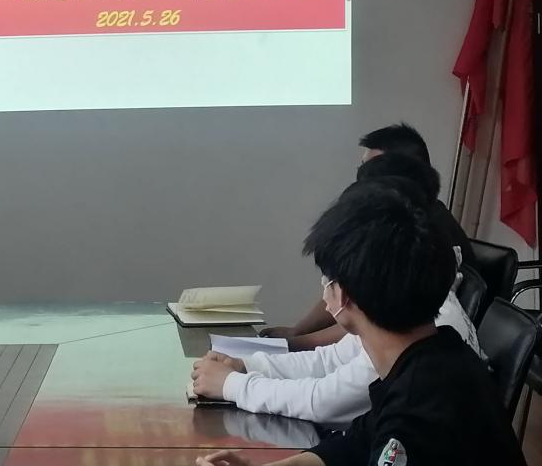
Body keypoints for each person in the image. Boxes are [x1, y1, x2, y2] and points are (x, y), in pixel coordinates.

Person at [196, 181, 524, 466]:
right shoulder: (435, 354)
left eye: (326, 280)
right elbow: (353, 445)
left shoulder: (416, 411)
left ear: (343, 296)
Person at [261, 123, 475, 351]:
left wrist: (295, 343)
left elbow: (368, 320)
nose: (363, 179)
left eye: (372, 167)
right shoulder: (405, 224)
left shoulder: (418, 237)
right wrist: (296, 335)